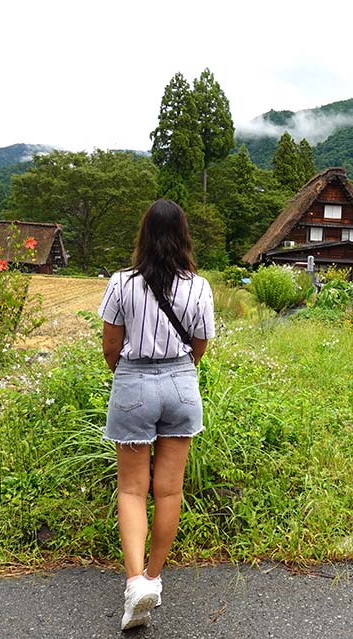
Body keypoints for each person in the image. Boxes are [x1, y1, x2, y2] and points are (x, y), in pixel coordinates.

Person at [96, 199, 214, 631]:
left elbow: (111, 346)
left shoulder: (121, 283)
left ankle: (134, 583)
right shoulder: (200, 287)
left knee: (131, 489)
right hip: (183, 384)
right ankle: (153, 577)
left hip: (134, 381)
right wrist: (178, 372)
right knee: (168, 491)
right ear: (184, 236)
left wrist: (129, 376)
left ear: (143, 234)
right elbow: (200, 345)